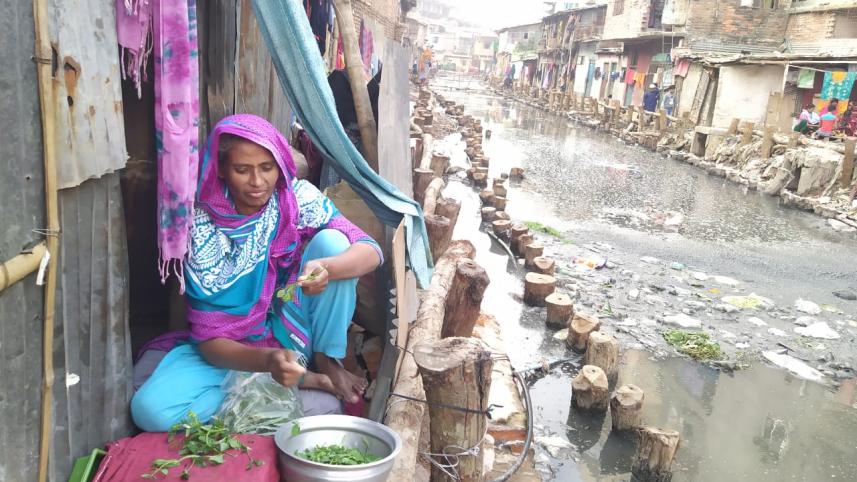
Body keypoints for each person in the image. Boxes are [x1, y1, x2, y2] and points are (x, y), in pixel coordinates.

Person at [131, 114, 384, 432]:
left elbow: (370, 249)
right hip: (233, 349)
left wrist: (327, 268)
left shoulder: (295, 198)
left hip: (289, 329)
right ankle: (291, 385)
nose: (257, 182)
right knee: (149, 411)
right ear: (222, 170)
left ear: (279, 164)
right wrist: (267, 363)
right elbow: (210, 341)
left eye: (267, 167)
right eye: (242, 170)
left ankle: (325, 362)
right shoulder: (201, 226)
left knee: (334, 243)